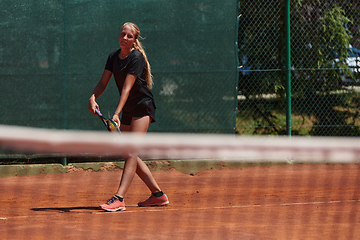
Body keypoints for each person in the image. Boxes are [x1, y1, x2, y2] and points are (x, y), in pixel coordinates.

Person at [88, 22, 169, 212]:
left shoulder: (136, 57)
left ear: (134, 40)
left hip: (143, 106)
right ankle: (158, 195)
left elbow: (127, 87)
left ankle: (119, 198)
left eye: (129, 36)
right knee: (128, 153)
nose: (124, 38)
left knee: (131, 151)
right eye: (122, 34)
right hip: (129, 108)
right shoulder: (113, 57)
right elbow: (103, 82)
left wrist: (116, 113)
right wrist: (92, 97)